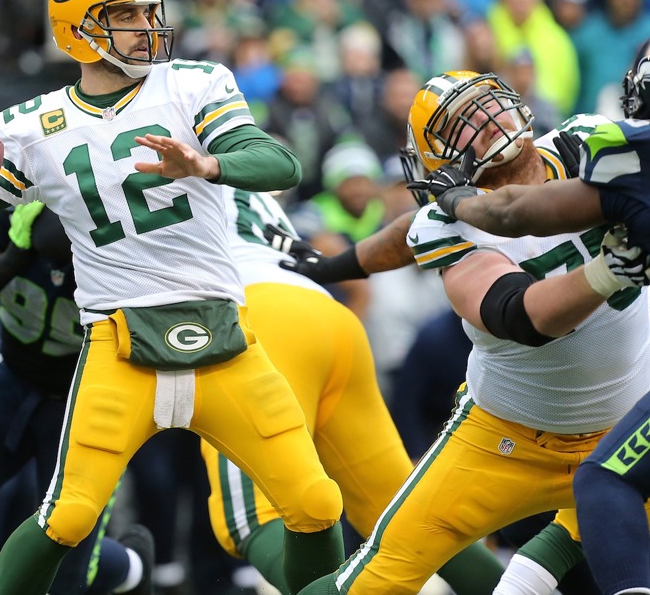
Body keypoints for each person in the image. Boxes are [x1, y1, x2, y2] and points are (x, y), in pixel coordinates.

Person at [0, 0, 347, 595]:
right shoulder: (29, 127)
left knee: (316, 504)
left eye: (150, 10)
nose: (146, 25)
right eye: (125, 14)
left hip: (224, 337)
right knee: (68, 515)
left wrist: (206, 165)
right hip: (117, 339)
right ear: (78, 30)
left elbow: (277, 163)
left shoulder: (195, 84)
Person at [268, 69, 650, 595]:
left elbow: (404, 235)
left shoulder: (586, 143)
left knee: (599, 528)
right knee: (376, 579)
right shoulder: (446, 225)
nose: (485, 122)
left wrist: (337, 265)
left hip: (626, 421)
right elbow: (521, 316)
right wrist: (609, 271)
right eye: (462, 122)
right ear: (441, 159)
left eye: (486, 104)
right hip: (506, 438)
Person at [411, 41, 650, 595]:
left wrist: (457, 202)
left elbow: (514, 212)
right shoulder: (610, 149)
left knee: (605, 481)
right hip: (541, 411)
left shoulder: (627, 155)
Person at [202, 186, 505, 595]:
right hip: (329, 317)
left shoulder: (139, 166)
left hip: (257, 318)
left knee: (253, 518)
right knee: (402, 513)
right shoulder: (240, 183)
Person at [0, 201, 152, 595]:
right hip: (10, 377)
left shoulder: (133, 237)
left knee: (64, 565)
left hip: (85, 398)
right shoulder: (15, 212)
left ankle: (130, 571)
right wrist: (11, 258)